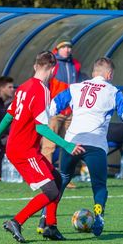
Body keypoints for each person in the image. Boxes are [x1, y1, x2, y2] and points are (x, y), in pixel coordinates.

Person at [44, 57, 123, 236]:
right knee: (99, 184)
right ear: (109, 74)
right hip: (95, 144)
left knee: (62, 180)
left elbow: (53, 107)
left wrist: (36, 120)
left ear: (93, 72)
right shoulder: (113, 92)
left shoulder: (75, 87)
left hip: (72, 142)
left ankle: (46, 218)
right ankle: (99, 216)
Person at [0, 51, 84, 243]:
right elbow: (41, 127)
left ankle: (50, 226)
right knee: (51, 191)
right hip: (24, 150)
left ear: (35, 66)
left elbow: (9, 116)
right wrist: (66, 144)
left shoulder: (23, 87)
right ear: (53, 69)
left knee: (57, 179)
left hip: (21, 147)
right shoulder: (42, 90)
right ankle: (16, 221)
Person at [41, 39, 81, 168]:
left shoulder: (75, 64)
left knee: (69, 143)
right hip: (54, 111)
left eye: (69, 47)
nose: (67, 50)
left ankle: (66, 173)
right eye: (63, 47)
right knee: (49, 144)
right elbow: (44, 84)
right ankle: (45, 173)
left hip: (70, 112)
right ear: (57, 49)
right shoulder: (52, 63)